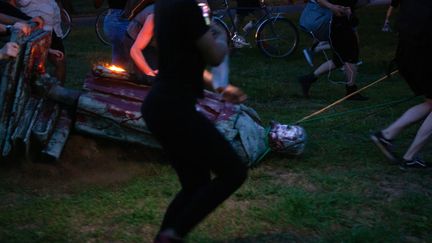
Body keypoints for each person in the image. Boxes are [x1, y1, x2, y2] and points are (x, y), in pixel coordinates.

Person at [142, 0, 248, 242]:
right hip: (173, 107)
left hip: (160, 106)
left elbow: (183, 61)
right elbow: (214, 55)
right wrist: (222, 37)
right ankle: (173, 234)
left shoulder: (165, 5)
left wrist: (220, 87)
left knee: (195, 183)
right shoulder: (187, 5)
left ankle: (166, 237)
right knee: (233, 171)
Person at [371, 0, 432, 170]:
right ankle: (410, 157)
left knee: (430, 103)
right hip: (423, 54)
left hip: (406, 54)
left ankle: (386, 135)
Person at [297, 0, 368, 101]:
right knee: (350, 57)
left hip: (340, 23)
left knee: (339, 59)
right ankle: (351, 91)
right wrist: (333, 7)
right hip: (336, 25)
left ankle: (308, 79)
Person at [17, 0, 66, 82]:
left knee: (61, 61)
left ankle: (57, 90)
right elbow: (17, 3)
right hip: (34, 31)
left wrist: (60, 13)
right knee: (33, 68)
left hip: (52, 30)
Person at [125, 3, 158, 84]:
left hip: (154, 41)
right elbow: (135, 50)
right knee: (151, 79)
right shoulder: (155, 17)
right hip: (135, 40)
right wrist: (150, 73)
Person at [94, 0, 129, 66]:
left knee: (119, 52)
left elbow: (97, 4)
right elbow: (97, 4)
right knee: (122, 53)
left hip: (114, 18)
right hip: (119, 18)